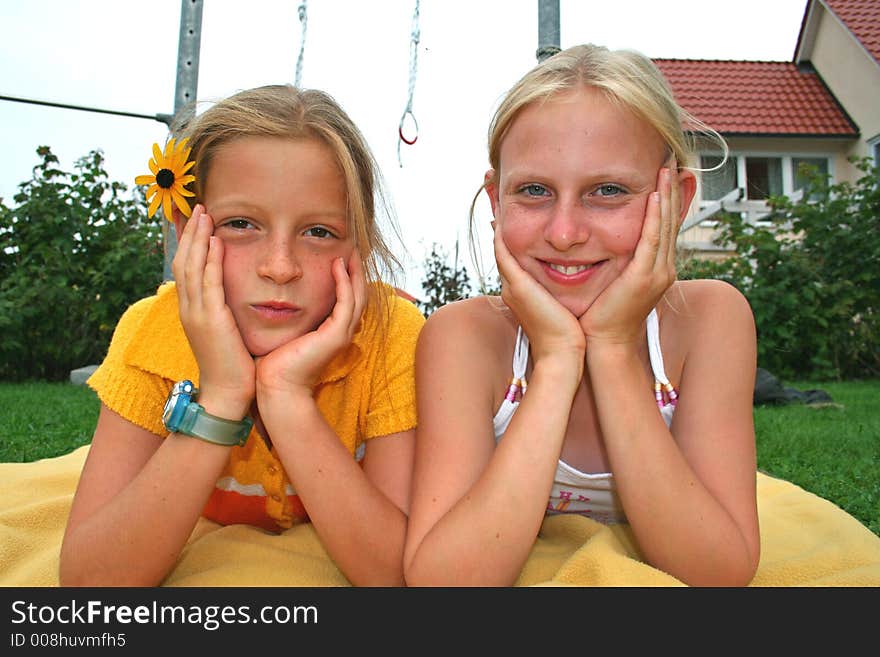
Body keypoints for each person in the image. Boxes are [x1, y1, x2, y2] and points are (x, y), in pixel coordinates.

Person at [403, 44, 760, 587]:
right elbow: (444, 582)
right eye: (534, 191)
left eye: (608, 191)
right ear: (496, 202)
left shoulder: (708, 321)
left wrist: (612, 348)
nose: (564, 233)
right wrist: (556, 360)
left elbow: (718, 571)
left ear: (677, 200)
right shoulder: (465, 336)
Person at [60, 85, 425, 587]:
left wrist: (287, 397)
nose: (280, 267)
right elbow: (89, 587)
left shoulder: (392, 335)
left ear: (357, 244)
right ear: (188, 227)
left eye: (318, 231)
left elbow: (398, 576)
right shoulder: (152, 331)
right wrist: (223, 397)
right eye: (240, 224)